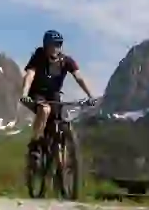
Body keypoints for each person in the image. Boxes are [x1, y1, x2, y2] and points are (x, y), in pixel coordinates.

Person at [19, 29, 96, 159]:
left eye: (58, 45)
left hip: (53, 94)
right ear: (46, 46)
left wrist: (90, 95)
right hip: (37, 93)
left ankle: (59, 157)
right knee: (45, 109)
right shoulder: (39, 57)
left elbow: (79, 77)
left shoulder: (66, 61)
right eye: (52, 45)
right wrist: (24, 93)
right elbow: (30, 75)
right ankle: (35, 144)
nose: (56, 48)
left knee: (59, 120)